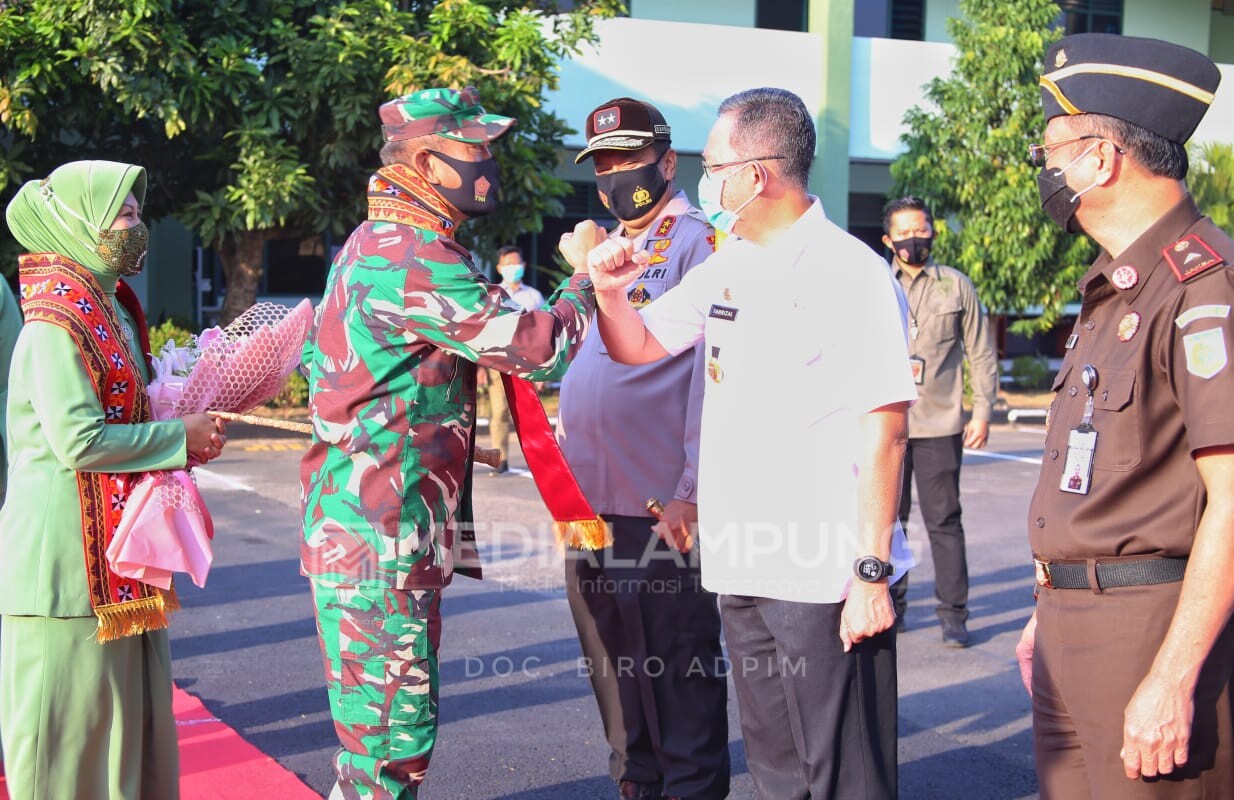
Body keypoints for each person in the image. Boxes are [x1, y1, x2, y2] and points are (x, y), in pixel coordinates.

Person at [580, 87, 917, 800]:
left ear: (757, 174)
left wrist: (870, 572)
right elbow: (640, 347)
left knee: (845, 775)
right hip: (747, 567)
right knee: (777, 770)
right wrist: (611, 296)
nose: (709, 179)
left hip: (826, 576)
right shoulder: (733, 265)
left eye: (716, 164)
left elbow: (885, 430)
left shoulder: (848, 271)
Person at [299, 86, 598, 799]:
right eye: (476, 149)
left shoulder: (386, 241)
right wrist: (588, 278)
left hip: (377, 529)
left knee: (380, 748)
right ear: (429, 162)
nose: (490, 163)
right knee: (390, 752)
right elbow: (537, 347)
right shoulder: (412, 253)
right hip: (380, 539)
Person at [1015, 33, 1234, 797]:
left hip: (1151, 631)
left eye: (1054, 151)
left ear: (1102, 158)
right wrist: (1053, 601)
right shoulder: (1114, 290)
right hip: (1070, 622)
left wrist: (1173, 676)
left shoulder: (1203, 287)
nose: (1045, 170)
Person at [0, 160, 227, 800]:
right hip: (63, 570)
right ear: (78, 223)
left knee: (127, 733)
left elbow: (127, 414)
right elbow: (79, 440)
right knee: (63, 745)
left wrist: (184, 427)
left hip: (118, 552)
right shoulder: (53, 324)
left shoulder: (107, 309)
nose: (137, 226)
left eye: (135, 212)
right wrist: (179, 437)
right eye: (122, 214)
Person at [557, 97, 728, 800]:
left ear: (667, 161)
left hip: (658, 503)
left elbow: (711, 381)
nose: (616, 174)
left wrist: (693, 489)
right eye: (603, 163)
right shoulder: (598, 251)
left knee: (676, 675)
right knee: (614, 673)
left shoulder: (698, 243)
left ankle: (689, 789)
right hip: (586, 503)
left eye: (629, 158)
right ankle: (635, 783)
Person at [882, 195, 999, 647]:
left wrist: (983, 409)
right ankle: (892, 604)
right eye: (905, 232)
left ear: (933, 231)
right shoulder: (874, 282)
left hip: (940, 423)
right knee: (889, 521)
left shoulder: (956, 286)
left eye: (923, 229)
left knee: (944, 521)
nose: (916, 239)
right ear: (889, 240)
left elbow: (980, 351)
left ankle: (954, 615)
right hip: (885, 423)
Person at [485, 244, 544, 474]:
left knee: (529, 414)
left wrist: (541, 371)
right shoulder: (492, 295)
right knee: (499, 412)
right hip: (498, 362)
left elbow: (541, 334)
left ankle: (538, 459)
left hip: (527, 363)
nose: (513, 268)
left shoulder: (534, 297)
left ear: (524, 266)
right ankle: (500, 459)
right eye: (508, 265)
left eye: (516, 264)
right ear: (499, 268)